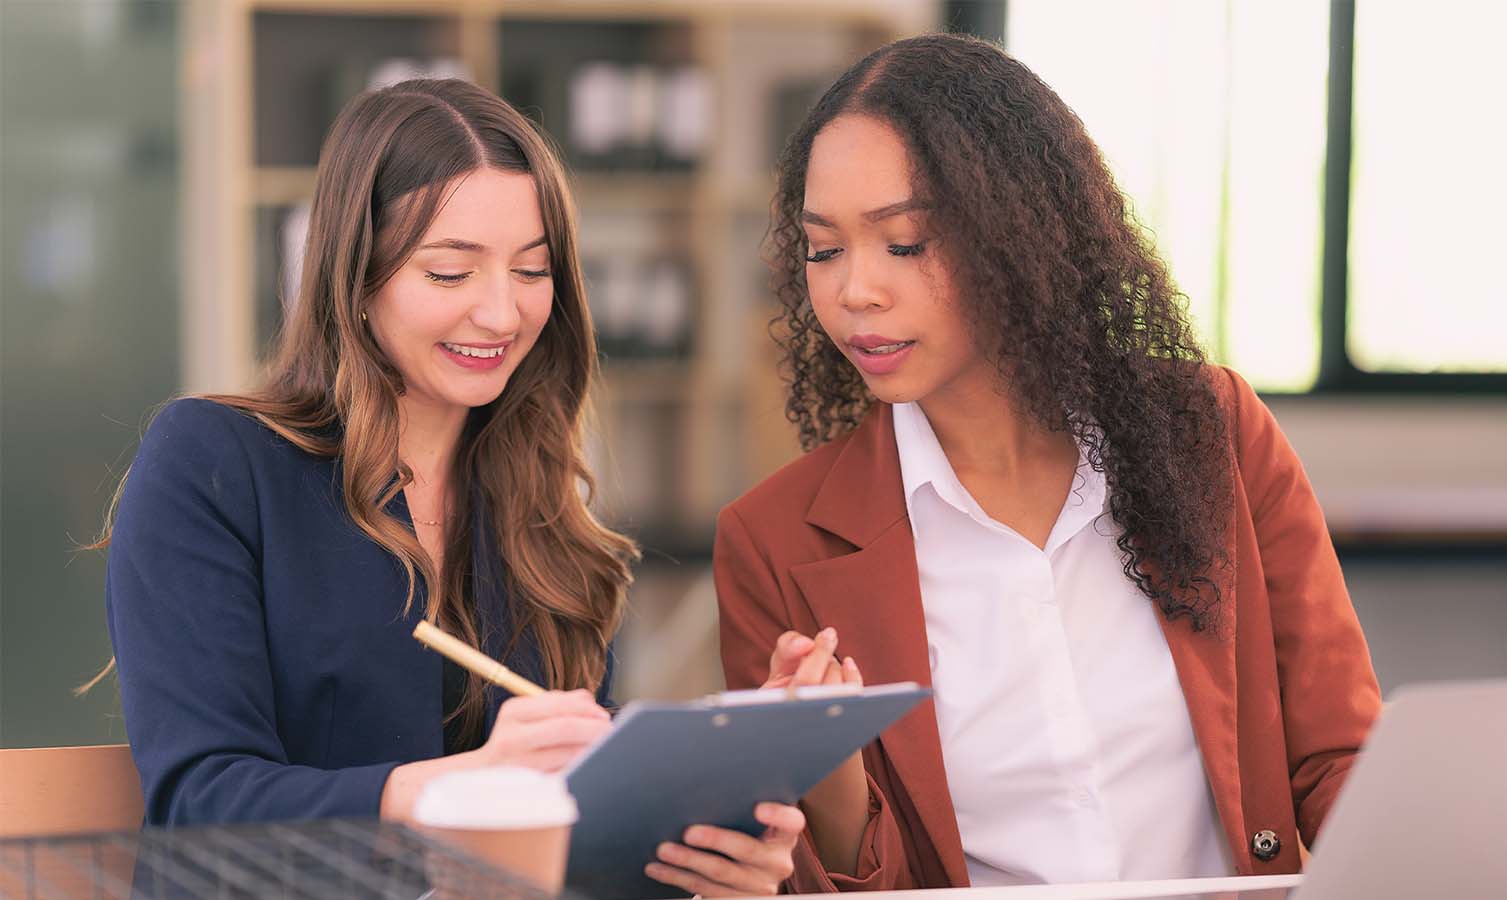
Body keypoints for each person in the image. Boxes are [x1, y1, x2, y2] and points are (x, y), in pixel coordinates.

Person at [714, 33, 1381, 890]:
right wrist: (827, 782)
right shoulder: (773, 542)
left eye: (905, 243)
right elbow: (813, 883)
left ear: (1019, 232)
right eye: (824, 248)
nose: (854, 291)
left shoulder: (1213, 435)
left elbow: (1339, 759)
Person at [104, 77, 799, 896]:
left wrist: (704, 837)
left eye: (532, 270)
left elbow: (571, 840)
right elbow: (200, 805)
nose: (502, 314)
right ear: (355, 279)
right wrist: (456, 793)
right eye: (449, 274)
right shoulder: (217, 463)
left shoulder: (544, 506)